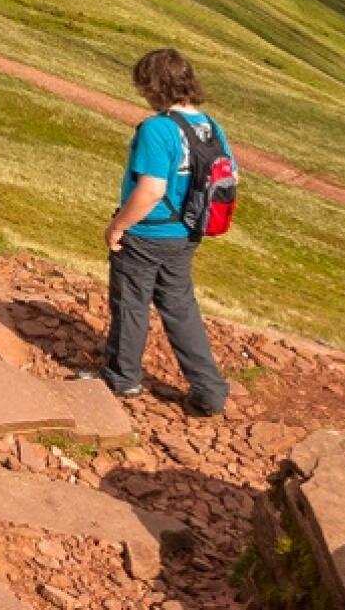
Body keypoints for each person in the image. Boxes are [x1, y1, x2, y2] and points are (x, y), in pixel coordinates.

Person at [97, 47, 232, 416]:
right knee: (180, 307)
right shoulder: (211, 127)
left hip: (147, 232)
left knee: (131, 304)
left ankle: (122, 378)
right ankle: (210, 390)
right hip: (186, 233)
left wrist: (118, 226)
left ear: (154, 86)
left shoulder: (158, 128)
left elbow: (152, 189)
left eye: (143, 87)